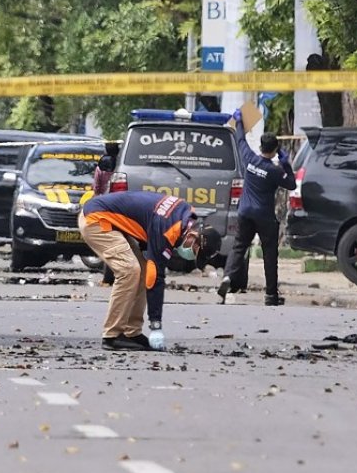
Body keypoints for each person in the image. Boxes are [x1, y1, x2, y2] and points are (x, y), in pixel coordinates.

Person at [78, 190, 221, 351]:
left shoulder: (187, 214)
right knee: (129, 270)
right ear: (193, 236)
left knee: (143, 270)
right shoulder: (167, 229)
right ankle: (112, 335)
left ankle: (132, 332)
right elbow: (156, 278)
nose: (191, 256)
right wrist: (156, 325)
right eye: (195, 252)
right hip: (96, 219)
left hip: (112, 220)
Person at [218, 110, 297, 306]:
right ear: (275, 149)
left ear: (261, 146)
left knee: (239, 247)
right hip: (264, 217)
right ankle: (271, 295)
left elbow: (240, 139)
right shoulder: (274, 171)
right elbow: (292, 185)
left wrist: (239, 121)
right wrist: (286, 165)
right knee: (270, 254)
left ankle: (228, 276)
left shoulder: (249, 159)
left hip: (245, 212)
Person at [92, 141, 121, 286]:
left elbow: (96, 187)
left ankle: (107, 278)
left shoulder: (101, 166)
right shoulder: (121, 164)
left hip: (104, 207)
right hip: (118, 207)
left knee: (108, 242)